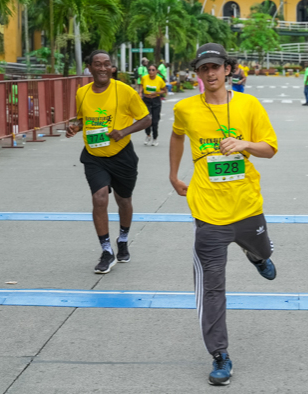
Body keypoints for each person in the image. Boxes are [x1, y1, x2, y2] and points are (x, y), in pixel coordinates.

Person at [169, 43, 279, 386]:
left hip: (247, 206)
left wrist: (244, 145)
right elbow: (176, 137)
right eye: (204, 69)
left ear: (228, 69)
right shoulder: (186, 109)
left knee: (264, 253)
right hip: (208, 210)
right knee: (212, 287)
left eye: (216, 67)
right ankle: (220, 354)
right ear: (198, 74)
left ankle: (256, 255)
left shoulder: (249, 105)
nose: (210, 73)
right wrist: (174, 175)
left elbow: (270, 148)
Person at [66, 50, 152, 274]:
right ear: (90, 68)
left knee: (123, 201)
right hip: (94, 156)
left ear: (112, 68)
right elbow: (82, 118)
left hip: (122, 155)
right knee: (99, 197)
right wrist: (75, 126)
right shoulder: (82, 92)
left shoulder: (124, 91)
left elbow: (146, 119)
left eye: (107, 64)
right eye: (97, 64)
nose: (103, 68)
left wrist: (124, 131)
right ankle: (106, 251)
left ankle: (122, 239)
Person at [140, 64, 168, 146]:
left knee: (155, 121)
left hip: (156, 101)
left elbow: (164, 90)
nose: (151, 71)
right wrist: (140, 92)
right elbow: (141, 85)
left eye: (153, 70)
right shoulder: (145, 78)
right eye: (149, 70)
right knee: (147, 119)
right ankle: (148, 135)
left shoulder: (159, 80)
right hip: (146, 100)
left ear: (156, 71)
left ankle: (155, 138)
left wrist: (157, 93)